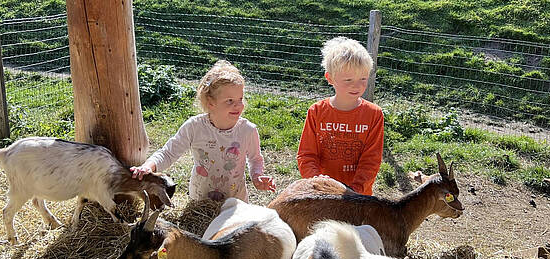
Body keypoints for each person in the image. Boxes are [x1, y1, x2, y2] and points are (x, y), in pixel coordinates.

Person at [131, 60, 275, 202]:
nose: (238, 105)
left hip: (235, 205)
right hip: (200, 203)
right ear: (211, 102)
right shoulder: (195, 127)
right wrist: (147, 167)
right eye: (230, 101)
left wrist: (257, 177)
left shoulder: (247, 130)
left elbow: (255, 159)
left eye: (240, 99)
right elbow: (168, 152)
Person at [297, 36, 384, 195]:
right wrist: (319, 183)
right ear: (330, 78)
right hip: (322, 194)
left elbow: (371, 160)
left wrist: (354, 191)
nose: (357, 85)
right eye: (348, 79)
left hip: (358, 197)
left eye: (363, 78)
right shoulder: (316, 111)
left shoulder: (374, 115)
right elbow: (307, 155)